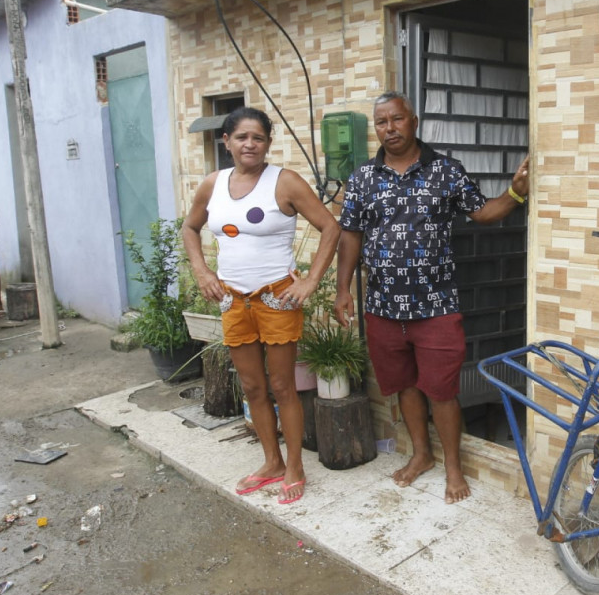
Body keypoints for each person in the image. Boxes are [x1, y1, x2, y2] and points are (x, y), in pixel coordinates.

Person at [334, 91, 529, 504]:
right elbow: (349, 235)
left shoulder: (446, 172)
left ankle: (453, 468)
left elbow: (482, 212)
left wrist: (514, 194)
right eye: (382, 122)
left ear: (414, 120)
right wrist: (341, 290)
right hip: (384, 307)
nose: (390, 128)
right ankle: (421, 455)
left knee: (441, 390)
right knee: (404, 385)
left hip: (436, 305)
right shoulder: (363, 179)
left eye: (397, 119)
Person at [183, 107, 340, 504]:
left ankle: (295, 466)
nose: (249, 144)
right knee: (253, 386)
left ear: (268, 143)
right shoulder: (212, 185)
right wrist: (203, 272)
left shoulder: (283, 182)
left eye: (258, 137)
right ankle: (271, 461)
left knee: (283, 385)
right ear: (227, 142)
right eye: (241, 137)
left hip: (276, 297)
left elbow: (330, 227)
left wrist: (310, 280)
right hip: (232, 300)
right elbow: (190, 228)